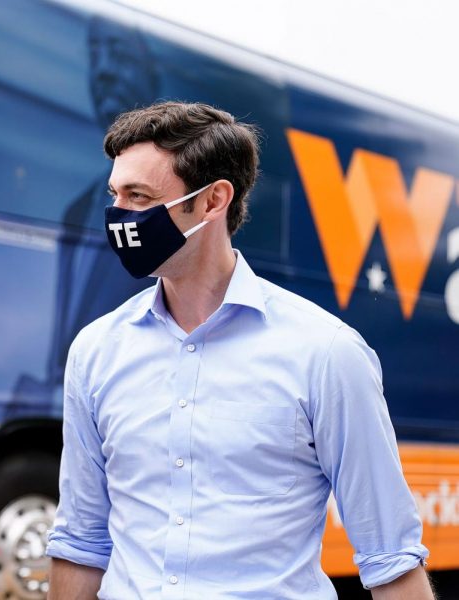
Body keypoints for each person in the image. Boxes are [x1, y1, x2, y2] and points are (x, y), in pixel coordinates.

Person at [45, 102, 433, 599]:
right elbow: (80, 540)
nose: (119, 214)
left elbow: (391, 560)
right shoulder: (96, 350)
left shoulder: (327, 354)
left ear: (213, 201)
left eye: (139, 196)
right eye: (115, 194)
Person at [12, 15, 161, 412]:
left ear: (152, 72)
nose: (105, 70)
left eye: (119, 53)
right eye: (96, 54)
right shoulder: (77, 209)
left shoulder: (175, 209)